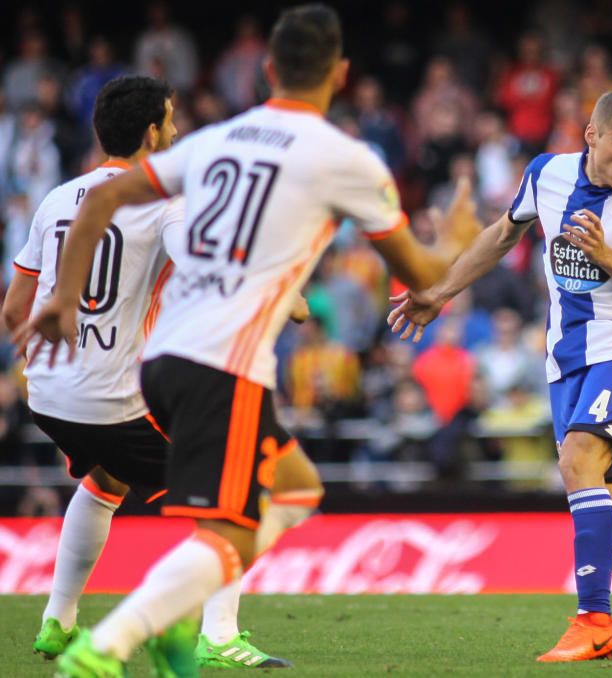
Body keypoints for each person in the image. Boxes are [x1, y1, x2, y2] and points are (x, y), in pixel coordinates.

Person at [19, 6, 480, 677]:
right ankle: (140, 638)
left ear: (267, 70)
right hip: (222, 363)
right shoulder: (346, 158)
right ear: (341, 74)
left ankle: (134, 625)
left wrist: (61, 299)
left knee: (293, 487)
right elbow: (421, 274)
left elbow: (101, 203)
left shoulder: (215, 141)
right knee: (244, 513)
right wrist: (458, 239)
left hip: (165, 362)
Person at [389, 89, 612, 662]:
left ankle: (595, 620)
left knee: (578, 459)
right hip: (565, 360)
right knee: (606, 515)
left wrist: (610, 259)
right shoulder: (546, 174)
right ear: (592, 136)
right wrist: (439, 294)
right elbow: (503, 233)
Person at [4, 75, 297, 671]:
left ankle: (56, 623)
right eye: (171, 120)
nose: (178, 130)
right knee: (234, 492)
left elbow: (14, 310)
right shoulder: (161, 200)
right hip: (109, 398)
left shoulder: (57, 197)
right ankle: (217, 636)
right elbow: (211, 273)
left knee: (107, 482)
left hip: (48, 392)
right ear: (149, 135)